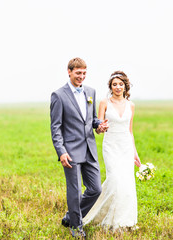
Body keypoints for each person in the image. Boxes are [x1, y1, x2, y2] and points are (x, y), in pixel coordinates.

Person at [50, 57, 108, 238]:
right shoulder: (58, 95)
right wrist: (61, 152)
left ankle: (70, 216)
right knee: (74, 191)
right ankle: (76, 226)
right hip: (70, 152)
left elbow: (91, 119)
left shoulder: (90, 92)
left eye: (84, 73)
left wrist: (99, 125)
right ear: (69, 71)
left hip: (89, 148)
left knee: (96, 189)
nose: (81, 76)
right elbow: (56, 127)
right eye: (78, 73)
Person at [83, 70, 141, 230]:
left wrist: (135, 153)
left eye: (120, 84)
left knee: (127, 184)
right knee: (114, 180)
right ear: (111, 87)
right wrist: (101, 128)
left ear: (125, 86)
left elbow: (130, 131)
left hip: (126, 147)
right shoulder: (104, 103)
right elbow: (98, 128)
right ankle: (98, 215)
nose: (117, 87)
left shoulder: (131, 105)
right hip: (111, 146)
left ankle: (124, 221)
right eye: (114, 84)